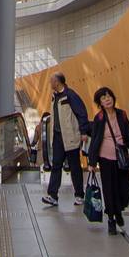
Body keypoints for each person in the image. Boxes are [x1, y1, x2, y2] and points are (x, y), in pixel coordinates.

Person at [85, 86, 129, 236]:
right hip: (105, 158)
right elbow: (95, 140)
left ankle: (119, 210)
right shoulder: (99, 118)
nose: (107, 99)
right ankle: (112, 218)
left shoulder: (121, 115)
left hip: (122, 158)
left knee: (126, 187)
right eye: (103, 98)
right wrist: (92, 162)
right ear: (100, 103)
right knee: (109, 189)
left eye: (108, 96)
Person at [42, 72, 90, 208]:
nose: (50, 83)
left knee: (75, 166)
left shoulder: (70, 96)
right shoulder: (54, 97)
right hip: (58, 137)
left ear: (58, 82)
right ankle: (52, 195)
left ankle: (79, 195)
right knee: (56, 165)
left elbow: (81, 113)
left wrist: (83, 131)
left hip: (70, 137)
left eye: (52, 81)